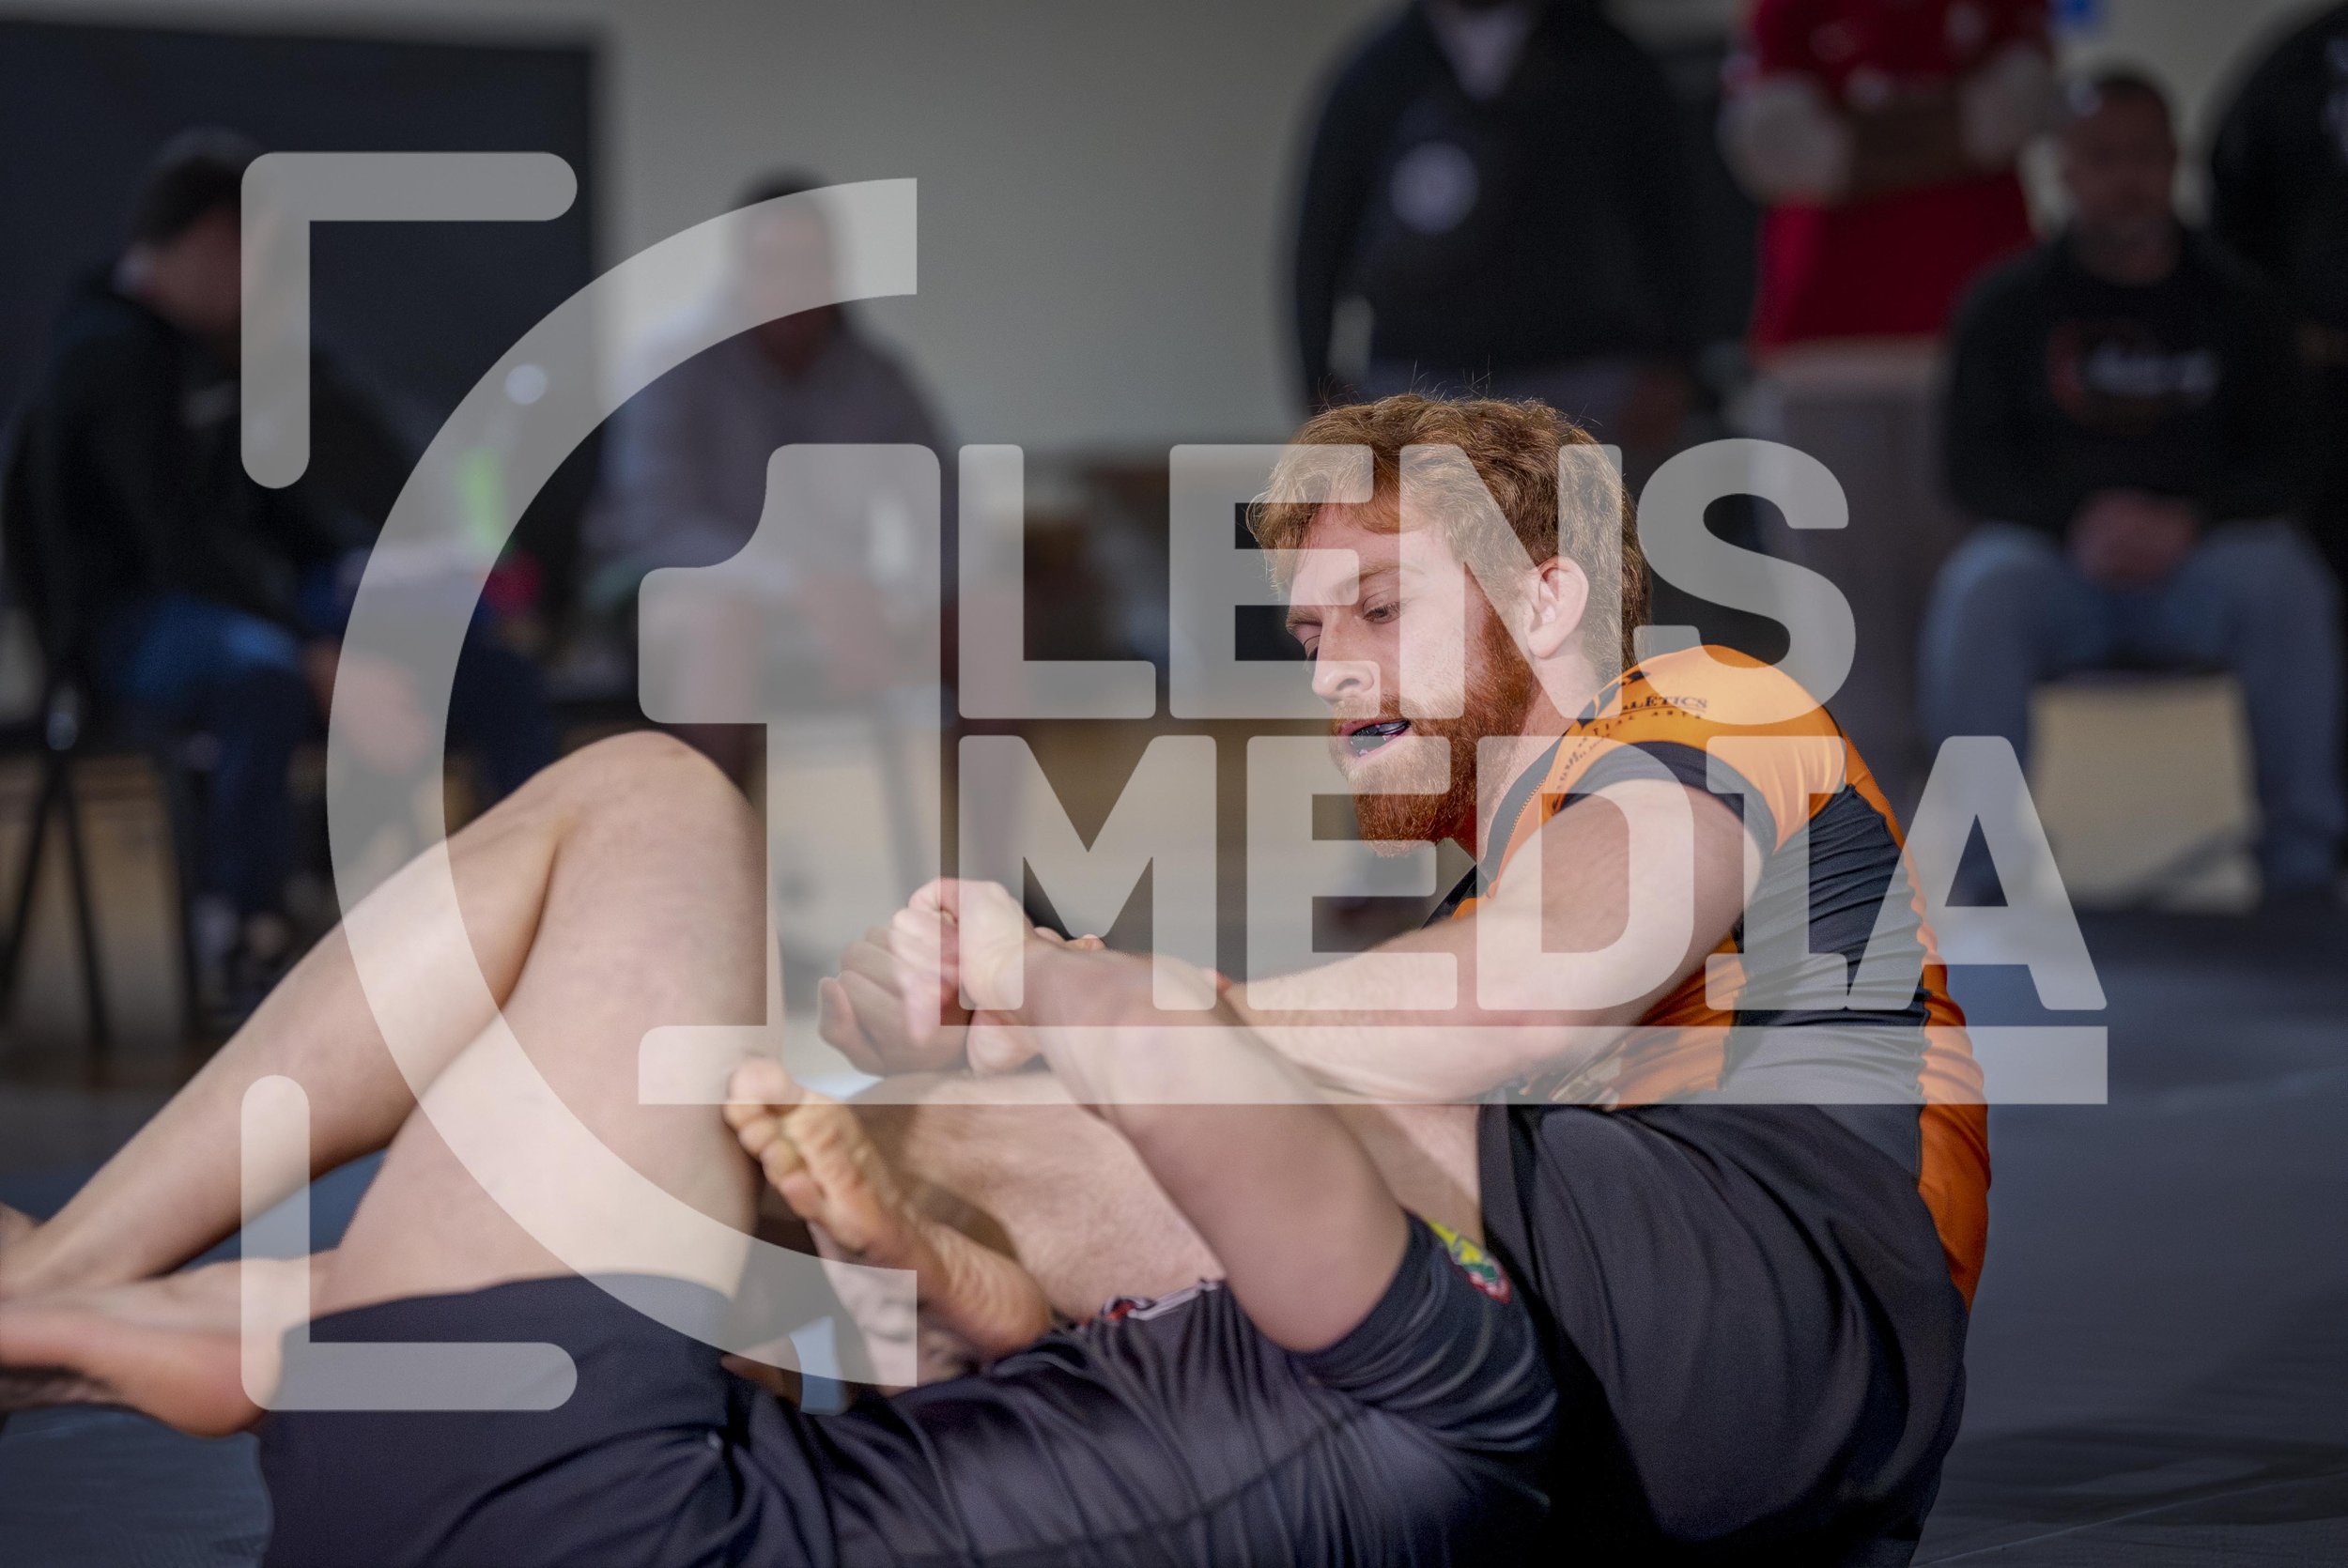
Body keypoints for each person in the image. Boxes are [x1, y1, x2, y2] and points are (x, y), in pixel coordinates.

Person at [3, 395, 1984, 1562]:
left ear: (1549, 599)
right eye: (1307, 633)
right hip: (1675, 1440)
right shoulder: (1525, 880)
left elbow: (1524, 997)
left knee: (890, 1090)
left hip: (1768, 1344)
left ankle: (112, 1286)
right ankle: (133, 1303)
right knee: (908, 1176)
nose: (1333, 673)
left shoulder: (1705, 702)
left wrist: (1050, 998)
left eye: (1381, 606)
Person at [16, 130, 557, 1014]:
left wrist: (371, 571)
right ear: (213, 240)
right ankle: (247, 928)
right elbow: (176, 545)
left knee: (468, 646)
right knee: (261, 672)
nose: (269, 282)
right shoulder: (105, 353)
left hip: (239, 597)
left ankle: (543, 891)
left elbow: (271, 513)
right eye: (261, 256)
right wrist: (314, 651)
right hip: (133, 625)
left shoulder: (218, 351)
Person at [1921, 70, 2346, 900]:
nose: (2127, 178)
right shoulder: (2005, 305)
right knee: (1979, 590)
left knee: (2287, 580)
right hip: (2058, 563)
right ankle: (1983, 875)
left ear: (2174, 161)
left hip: (2206, 562)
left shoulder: (2243, 301)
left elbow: (2294, 458)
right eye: (2103, 157)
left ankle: (2302, 867)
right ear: (2066, 168)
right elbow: (1969, 467)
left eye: (2145, 156)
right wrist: (2077, 522)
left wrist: (2192, 520)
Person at [1721, 0, 2054, 809]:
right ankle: (1874, 845)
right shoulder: (1787, 11)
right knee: (1844, 638)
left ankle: (1981, 847)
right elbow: (1779, 151)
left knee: (1974, 629)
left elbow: (2017, 110)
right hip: (1822, 360)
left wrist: (1858, 138)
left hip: (1974, 355)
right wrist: (1949, 127)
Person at [585, 170, 952, 786]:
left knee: (988, 621)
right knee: (725, 620)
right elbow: (661, 526)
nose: (792, 286)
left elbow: (946, 503)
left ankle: (993, 846)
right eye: (773, 265)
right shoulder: (672, 362)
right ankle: (713, 844)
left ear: (835, 274)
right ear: (740, 271)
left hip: (831, 595)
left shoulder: (875, 377)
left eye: (809, 265)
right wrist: (797, 584)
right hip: (666, 590)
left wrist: (916, 594)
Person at [1290, 0, 1699, 468]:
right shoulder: (1377, 72)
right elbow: (1321, 236)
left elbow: (1675, 218)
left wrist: (1678, 363)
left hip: (1587, 383)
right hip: (1417, 385)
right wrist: (1318, 384)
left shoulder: (1606, 59)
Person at [2209, 1, 2348, 773]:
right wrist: (2279, 334)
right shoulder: (2302, 61)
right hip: (2328, 389)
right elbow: (2235, 209)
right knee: (2323, 598)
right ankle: (2324, 818)